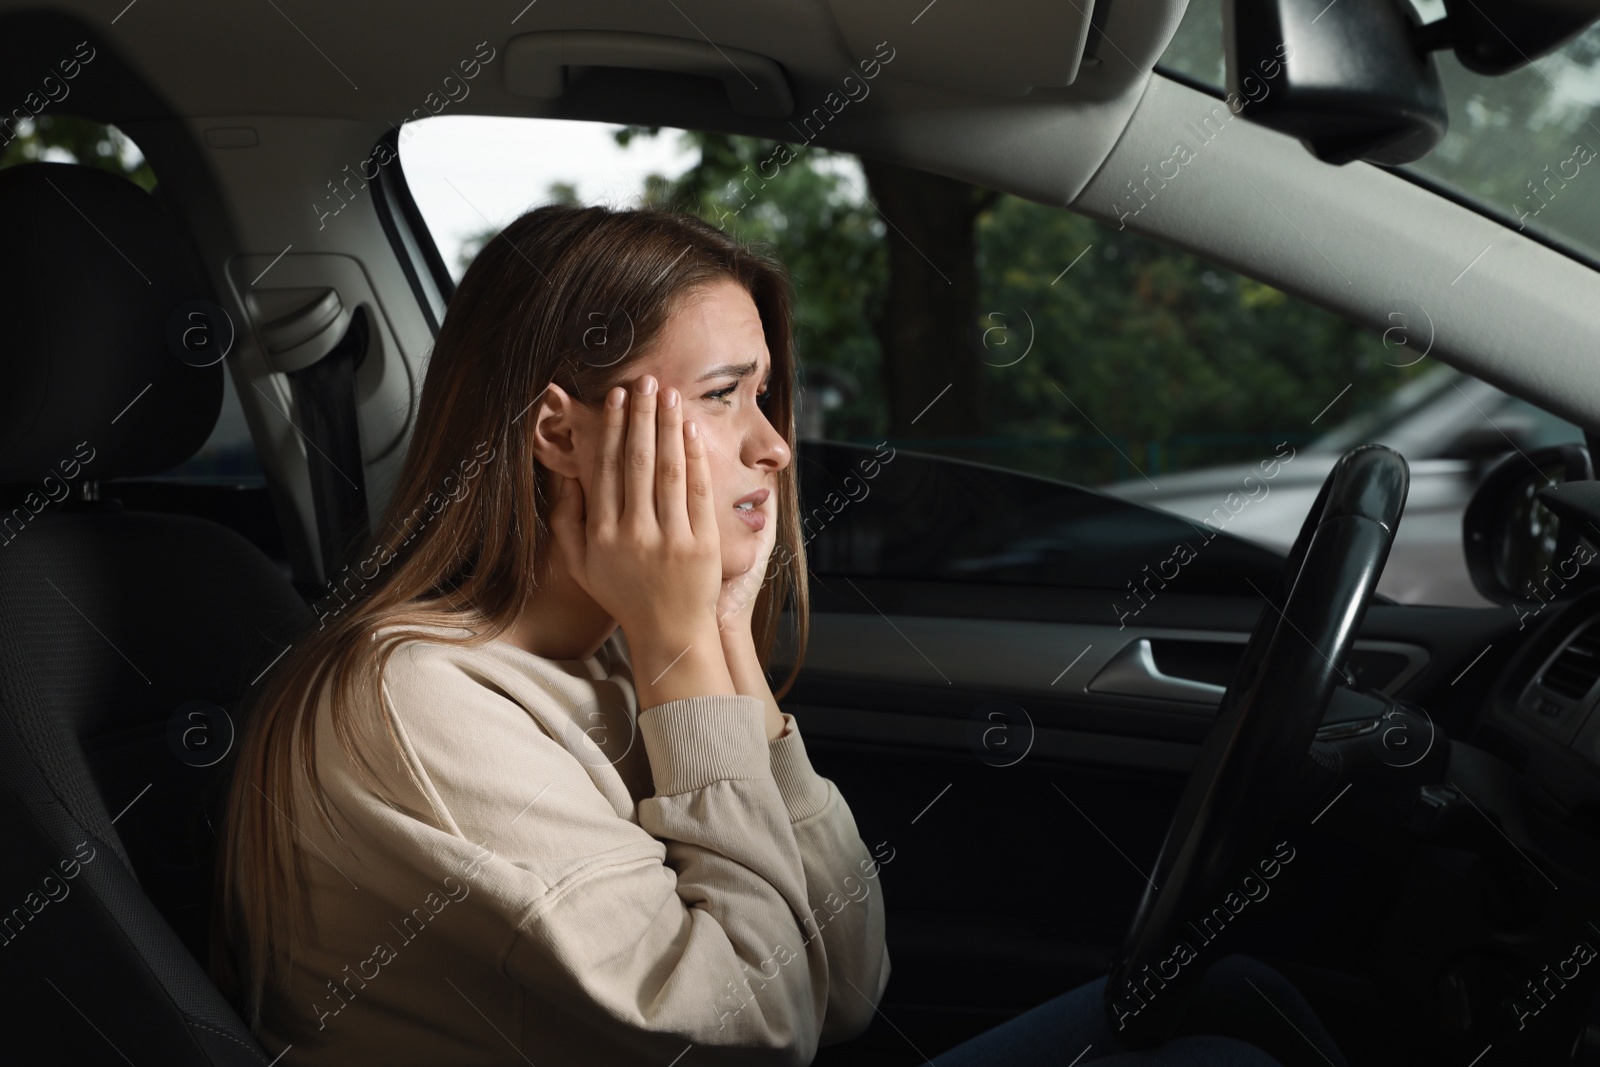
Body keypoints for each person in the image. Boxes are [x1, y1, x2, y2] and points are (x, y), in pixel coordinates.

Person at [210, 203, 1342, 1067]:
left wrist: (719, 641)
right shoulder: (417, 702)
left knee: (1222, 991)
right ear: (559, 432)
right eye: (720, 395)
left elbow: (845, 978)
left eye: (764, 396)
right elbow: (756, 1030)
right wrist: (682, 655)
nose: (775, 446)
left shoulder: (604, 651)